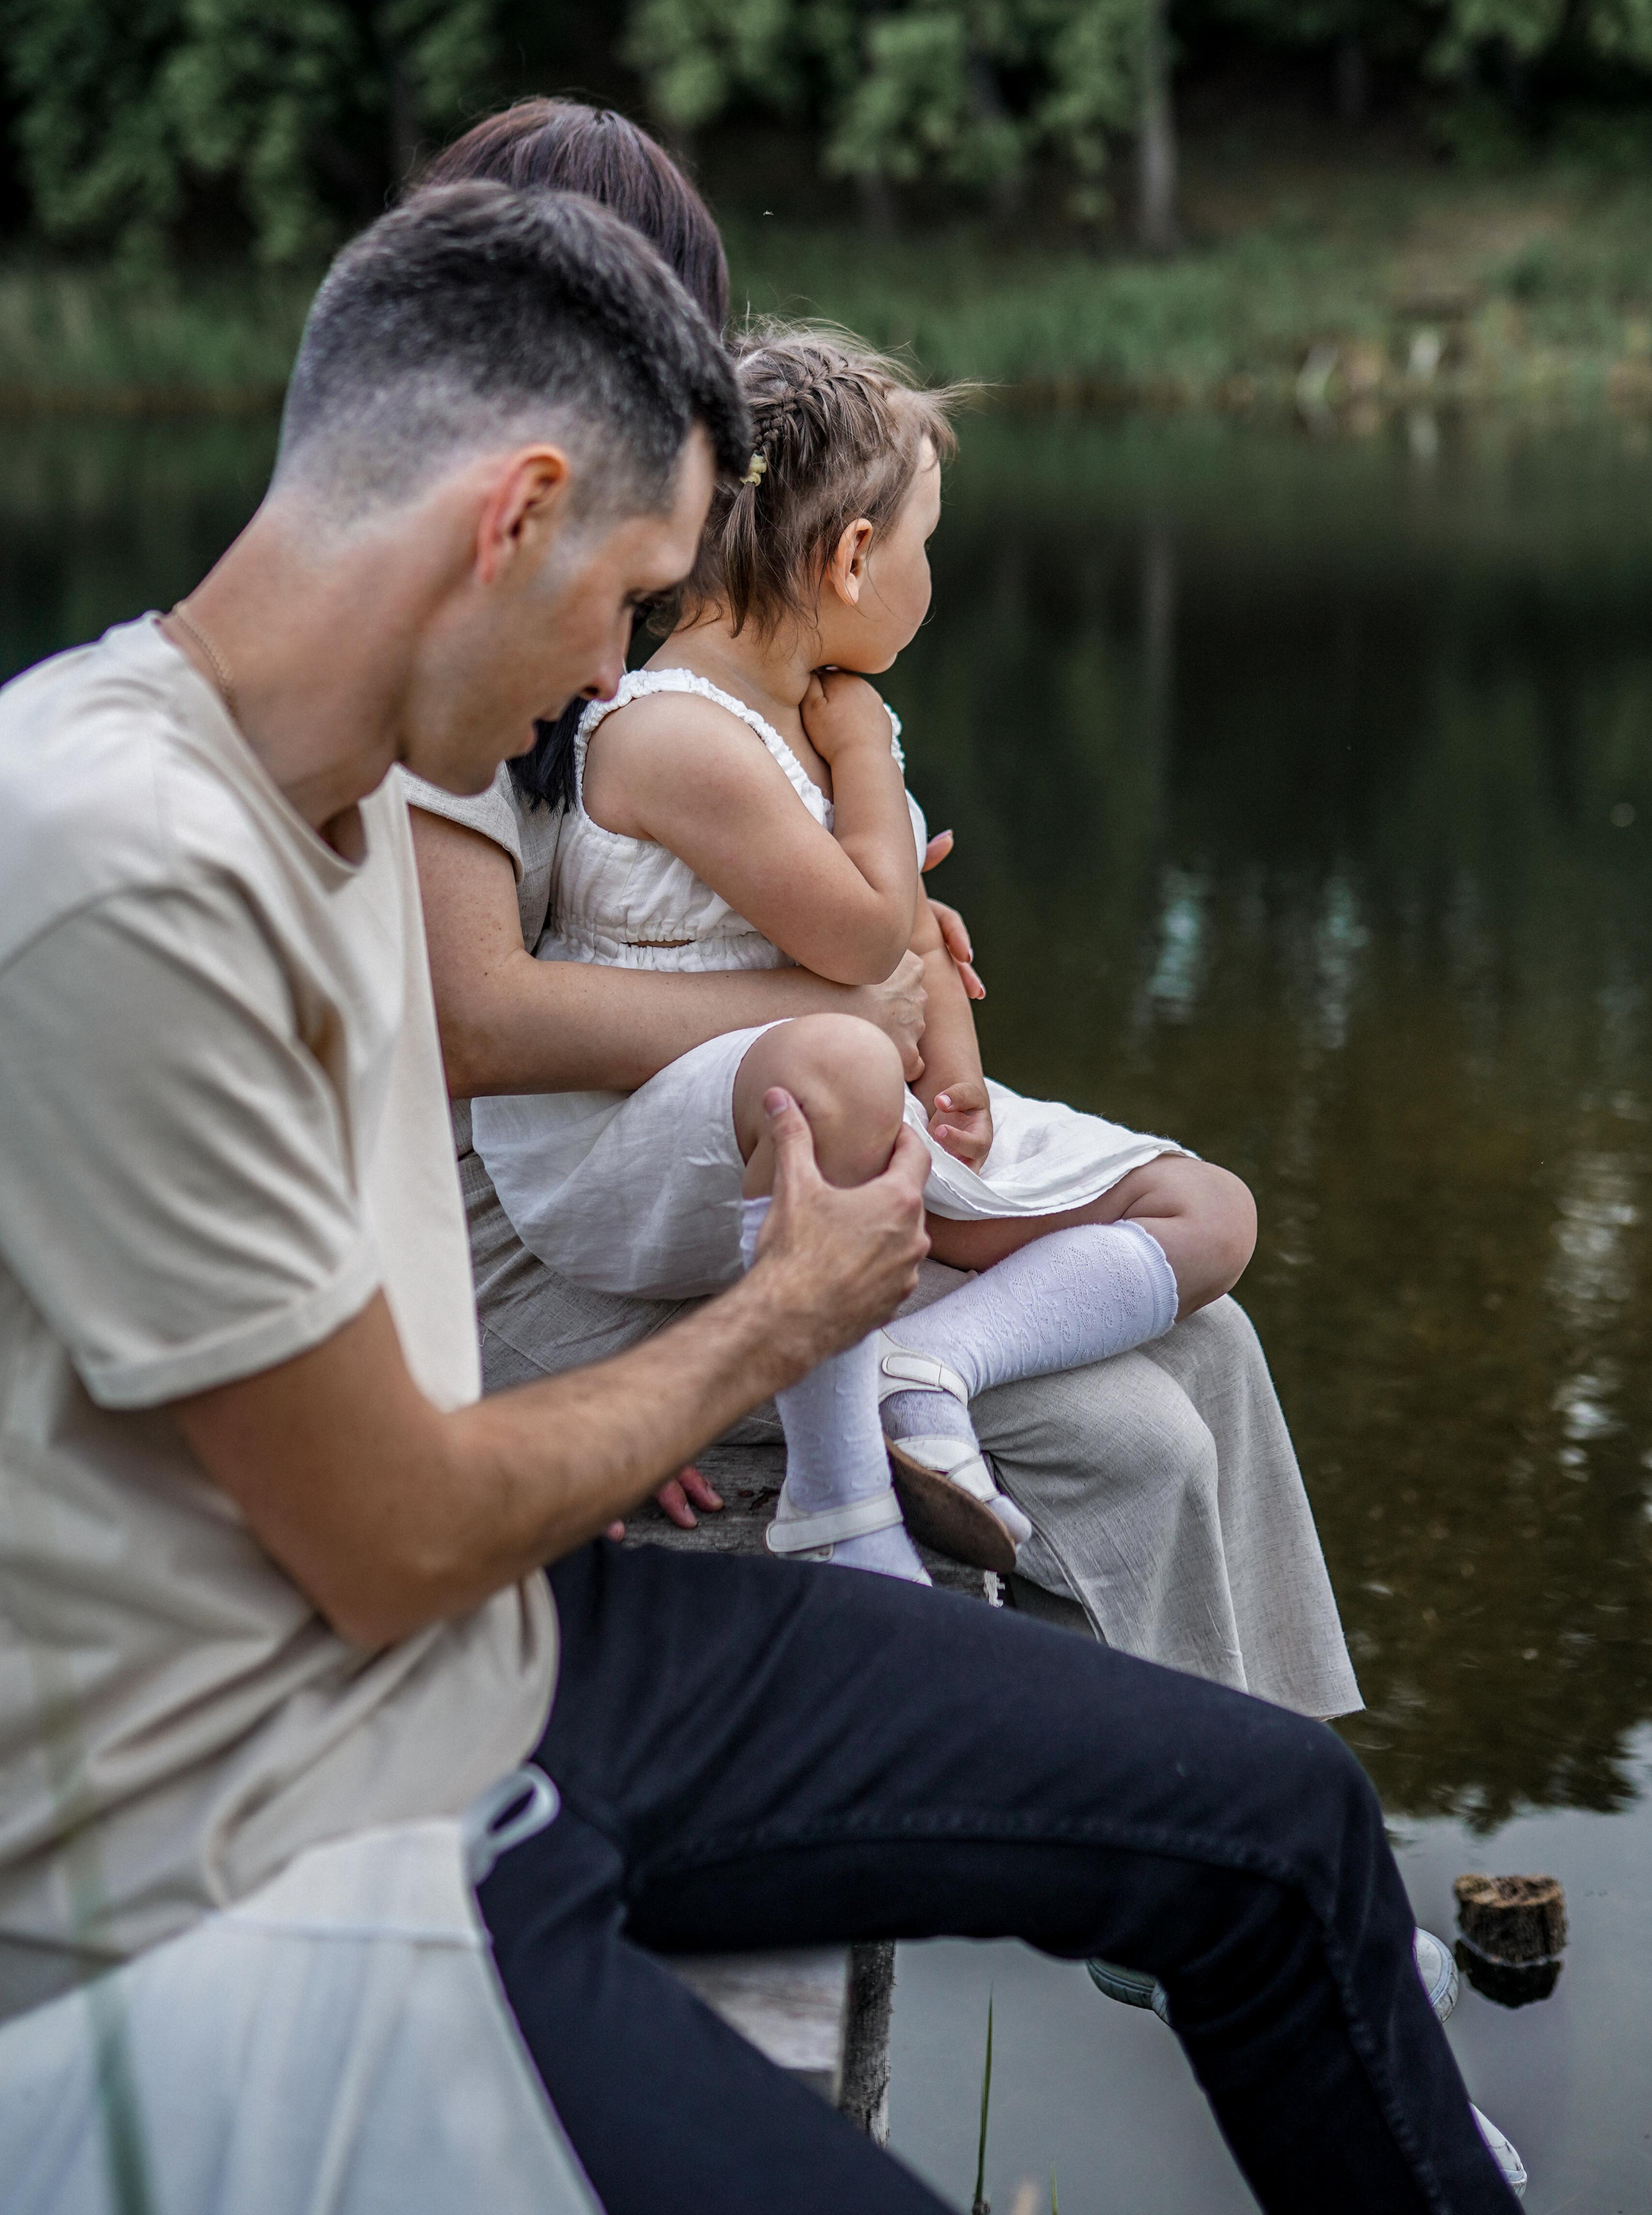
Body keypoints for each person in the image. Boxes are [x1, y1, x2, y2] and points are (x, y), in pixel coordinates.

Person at [0, 179, 1578, 2215]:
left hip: (510, 1651)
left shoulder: (342, 791)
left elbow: (380, 1303)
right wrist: (777, 1320)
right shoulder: (120, 861)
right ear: (513, 515)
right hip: (283, 1816)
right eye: (625, 594)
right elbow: (389, 1539)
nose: (609, 671)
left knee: (1282, 1825)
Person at [404, 100, 1359, 1713]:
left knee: (1214, 1345)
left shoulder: (625, 614)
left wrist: (884, 944)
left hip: (712, 1148)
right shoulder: (471, 641)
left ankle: (1292, 1790)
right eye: (669, 365)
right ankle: (1162, 1811)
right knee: (1129, 1438)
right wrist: (846, 998)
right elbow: (476, 1021)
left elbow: (779, 925)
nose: (697, 423)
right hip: (525, 1253)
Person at [472, 326, 1258, 1585]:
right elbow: (863, 936)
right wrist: (866, 758)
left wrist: (960, 1079)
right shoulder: (677, 733)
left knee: (1210, 1213)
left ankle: (932, 1368)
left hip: (834, 1115)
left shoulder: (805, 706)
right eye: (924, 544)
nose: (930, 574)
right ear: (848, 557)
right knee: (834, 1065)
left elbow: (908, 946)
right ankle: (837, 1499)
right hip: (644, 1154)